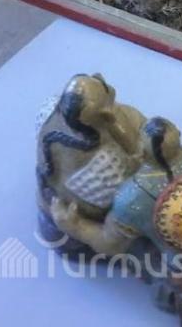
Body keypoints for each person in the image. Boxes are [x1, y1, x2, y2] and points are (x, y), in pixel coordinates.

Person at [50, 117, 182, 327]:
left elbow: (110, 245)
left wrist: (75, 226)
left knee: (134, 245)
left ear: (140, 150)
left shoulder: (132, 198)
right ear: (178, 134)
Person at [36, 74, 146, 256]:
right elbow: (136, 166)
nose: (98, 76)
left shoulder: (50, 111)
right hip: (96, 213)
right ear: (106, 115)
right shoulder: (105, 162)